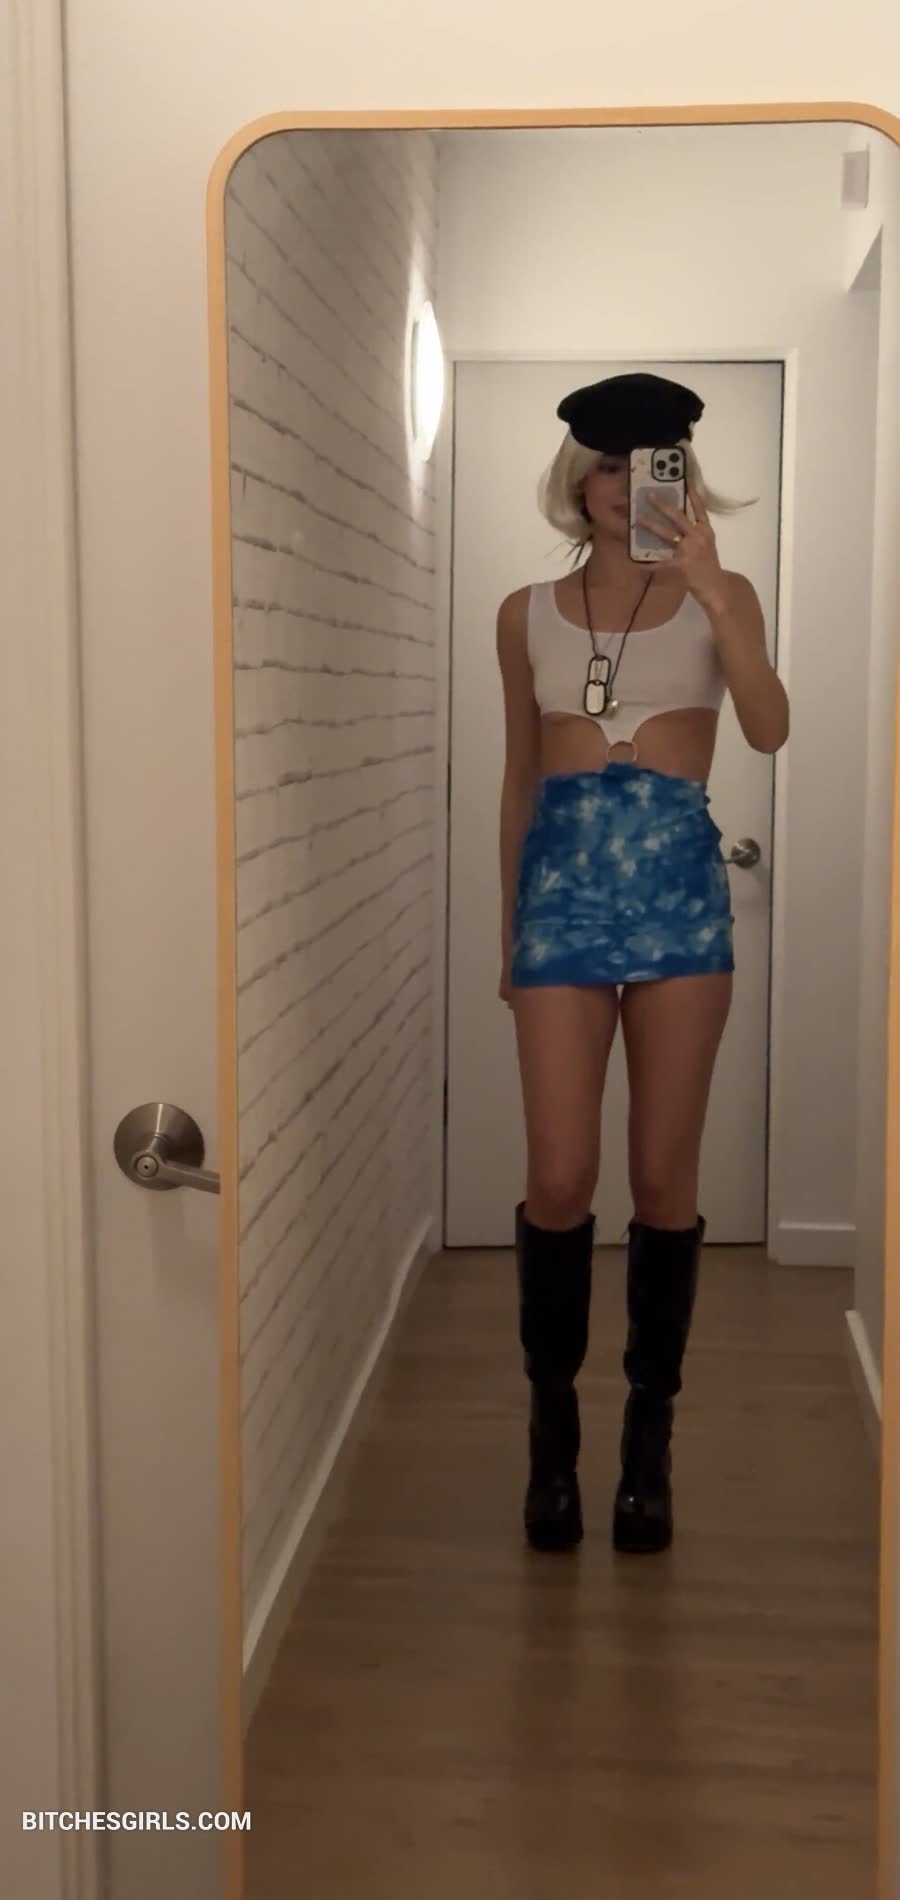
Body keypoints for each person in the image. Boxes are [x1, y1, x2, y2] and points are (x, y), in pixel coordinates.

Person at [497, 372, 789, 1555]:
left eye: (652, 463)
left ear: (682, 477)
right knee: (559, 1174)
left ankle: (645, 1442)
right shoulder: (521, 611)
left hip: (676, 891)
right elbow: (517, 779)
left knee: (662, 1178)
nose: (627, 486)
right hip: (560, 895)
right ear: (578, 480)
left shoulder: (724, 595)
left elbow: (767, 725)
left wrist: (712, 589)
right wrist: (507, 935)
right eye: (609, 465)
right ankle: (550, 1432)